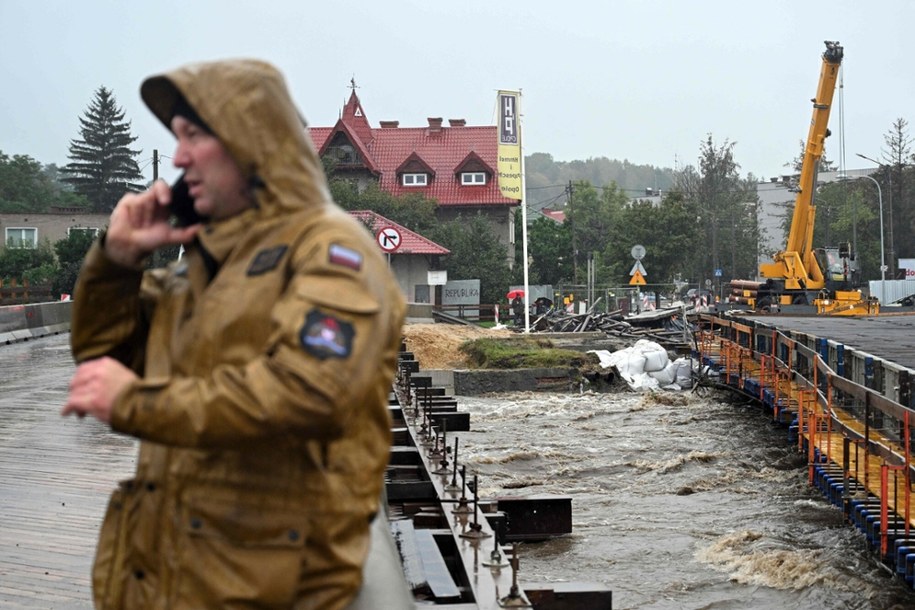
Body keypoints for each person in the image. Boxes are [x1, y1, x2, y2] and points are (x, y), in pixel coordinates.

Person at [61, 59, 406, 610]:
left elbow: (309, 392)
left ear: (251, 143)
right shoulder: (202, 262)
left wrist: (136, 403)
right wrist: (118, 260)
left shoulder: (330, 250)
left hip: (272, 587)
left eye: (194, 136)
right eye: (176, 139)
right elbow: (106, 355)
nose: (177, 158)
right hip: (182, 574)